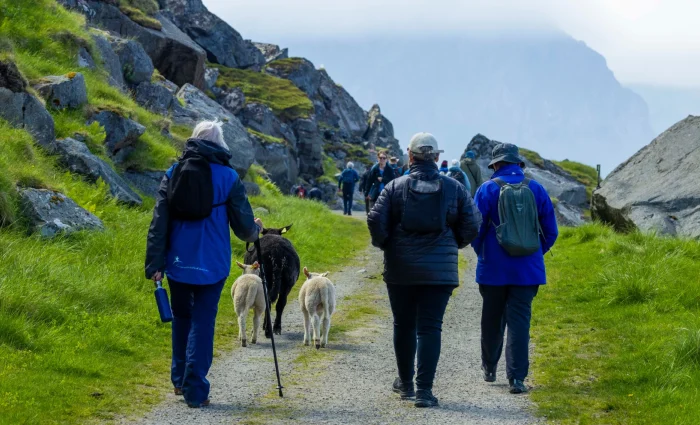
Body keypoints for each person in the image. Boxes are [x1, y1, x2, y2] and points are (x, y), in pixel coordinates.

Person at [145, 120, 263, 408]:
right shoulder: (228, 177)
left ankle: (178, 380)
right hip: (212, 263)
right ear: (220, 144)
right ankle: (195, 391)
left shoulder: (173, 172)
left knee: (182, 317)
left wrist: (155, 263)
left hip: (178, 261)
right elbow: (244, 228)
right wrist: (256, 230)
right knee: (202, 320)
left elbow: (159, 222)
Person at [368, 133, 482, 408]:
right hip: (439, 272)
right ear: (436, 157)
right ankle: (424, 391)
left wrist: (388, 245)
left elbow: (375, 220)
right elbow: (472, 224)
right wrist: (452, 244)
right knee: (430, 328)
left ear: (410, 155)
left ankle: (405, 384)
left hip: (401, 269)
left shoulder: (395, 187)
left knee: (403, 324)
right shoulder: (454, 188)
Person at [471, 143, 558, 394]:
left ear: (496, 165)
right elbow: (551, 231)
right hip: (527, 271)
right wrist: (532, 252)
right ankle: (517, 378)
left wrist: (484, 253)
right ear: (518, 163)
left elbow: (475, 230)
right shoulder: (537, 189)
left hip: (493, 269)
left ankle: (489, 367)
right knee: (520, 322)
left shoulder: (487, 189)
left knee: (492, 318)